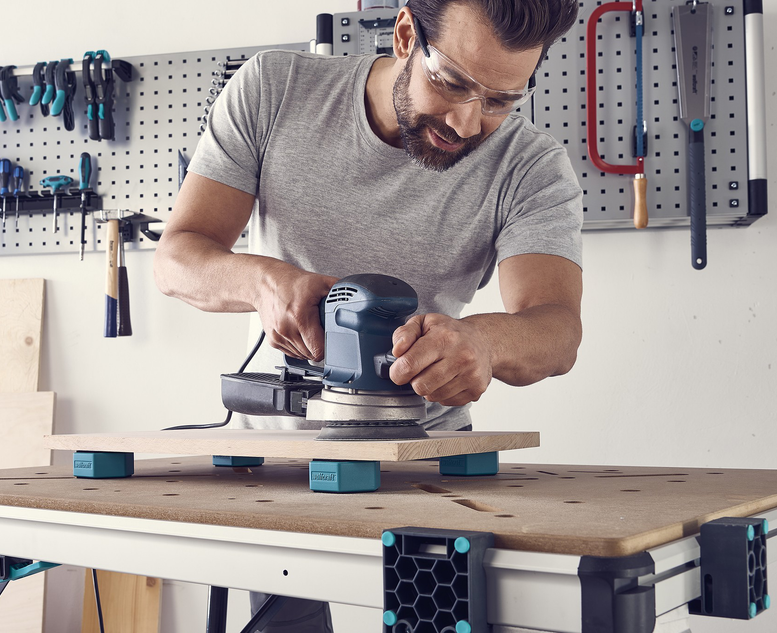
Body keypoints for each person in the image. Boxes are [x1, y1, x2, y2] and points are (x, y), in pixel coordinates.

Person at [155, 0, 581, 629]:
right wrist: (265, 281)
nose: (467, 122)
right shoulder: (276, 91)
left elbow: (556, 329)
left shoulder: (531, 167)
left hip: (427, 460)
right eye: (452, 82)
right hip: (279, 466)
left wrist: (483, 342)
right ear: (406, 33)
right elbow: (176, 259)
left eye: (500, 101)